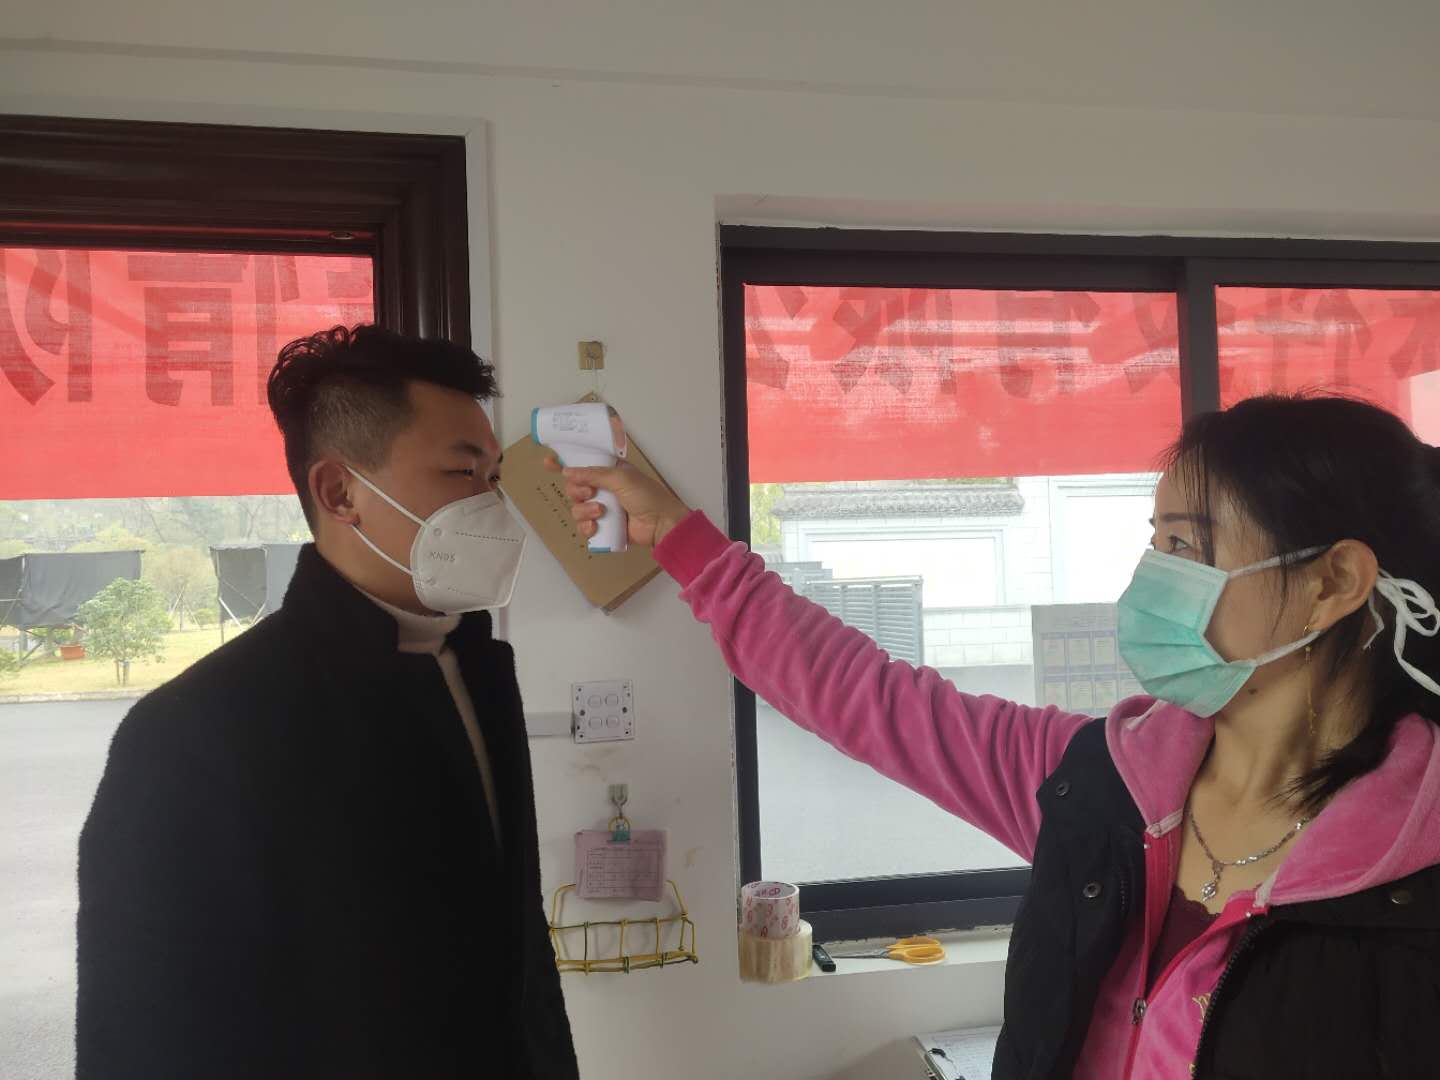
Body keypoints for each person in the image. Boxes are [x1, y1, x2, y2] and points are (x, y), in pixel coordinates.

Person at [557, 393, 1440, 1079]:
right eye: (1154, 544)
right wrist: (678, 538)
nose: (1150, 581)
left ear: (1333, 583)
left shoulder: (1417, 873)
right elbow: (867, 698)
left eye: (1186, 547)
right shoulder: (1097, 783)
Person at [77, 325, 578, 1079]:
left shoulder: (480, 671)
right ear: (340, 492)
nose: (491, 504)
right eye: (461, 472)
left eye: (493, 477)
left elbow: (520, 954)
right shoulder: (194, 731)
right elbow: (139, 1030)